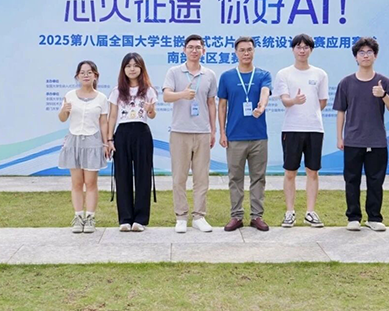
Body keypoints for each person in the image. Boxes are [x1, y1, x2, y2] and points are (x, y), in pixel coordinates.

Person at [333, 37, 389, 232]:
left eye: (369, 52)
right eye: (361, 52)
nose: (365, 56)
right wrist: (339, 137)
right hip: (353, 140)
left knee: (375, 181)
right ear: (355, 57)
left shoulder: (385, 82)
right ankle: (353, 217)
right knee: (351, 180)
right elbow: (341, 111)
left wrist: (383, 95)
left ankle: (374, 217)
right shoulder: (346, 82)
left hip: (377, 140)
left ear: (375, 56)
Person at [163, 34, 217, 233]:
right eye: (191, 47)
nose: (194, 50)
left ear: (203, 51)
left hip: (202, 131)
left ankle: (199, 216)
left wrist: (213, 130)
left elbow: (211, 103)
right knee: (179, 177)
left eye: (198, 47)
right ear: (184, 50)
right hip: (179, 131)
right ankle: (181, 216)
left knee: (201, 178)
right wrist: (183, 95)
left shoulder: (209, 74)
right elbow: (166, 96)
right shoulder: (174, 72)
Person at [273, 34, 328, 228]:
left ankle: (310, 212)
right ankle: (290, 212)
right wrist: (294, 101)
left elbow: (322, 101)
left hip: (314, 128)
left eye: (306, 47)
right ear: (293, 49)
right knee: (290, 172)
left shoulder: (320, 74)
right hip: (291, 128)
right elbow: (285, 100)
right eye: (298, 47)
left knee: (312, 171)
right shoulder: (284, 74)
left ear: (311, 50)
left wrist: (310, 113)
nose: (302, 50)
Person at [218, 36, 272, 232]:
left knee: (258, 177)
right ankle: (236, 216)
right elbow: (222, 105)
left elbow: (265, 92)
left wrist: (262, 106)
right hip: (235, 136)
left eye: (249, 49)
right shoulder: (227, 77)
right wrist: (222, 132)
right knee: (235, 178)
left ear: (254, 51)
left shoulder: (263, 74)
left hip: (258, 136)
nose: (246, 53)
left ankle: (257, 216)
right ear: (236, 52)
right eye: (242, 50)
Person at [58, 60, 110, 233]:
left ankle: (90, 218)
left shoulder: (102, 98)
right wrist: (64, 110)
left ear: (95, 76)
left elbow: (103, 122)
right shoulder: (70, 95)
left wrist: (106, 143)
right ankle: (78, 216)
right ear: (77, 76)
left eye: (89, 72)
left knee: (91, 182)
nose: (86, 75)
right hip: (74, 140)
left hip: (93, 141)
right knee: (77, 182)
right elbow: (62, 118)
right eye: (82, 72)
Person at [107, 53, 157, 233]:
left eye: (136, 65)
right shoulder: (117, 91)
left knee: (143, 176)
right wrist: (109, 139)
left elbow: (152, 115)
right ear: (123, 69)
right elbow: (112, 116)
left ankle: (140, 219)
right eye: (128, 66)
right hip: (122, 134)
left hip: (142, 133)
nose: (132, 69)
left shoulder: (148, 90)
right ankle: (125, 219)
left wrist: (150, 110)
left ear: (141, 68)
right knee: (122, 176)